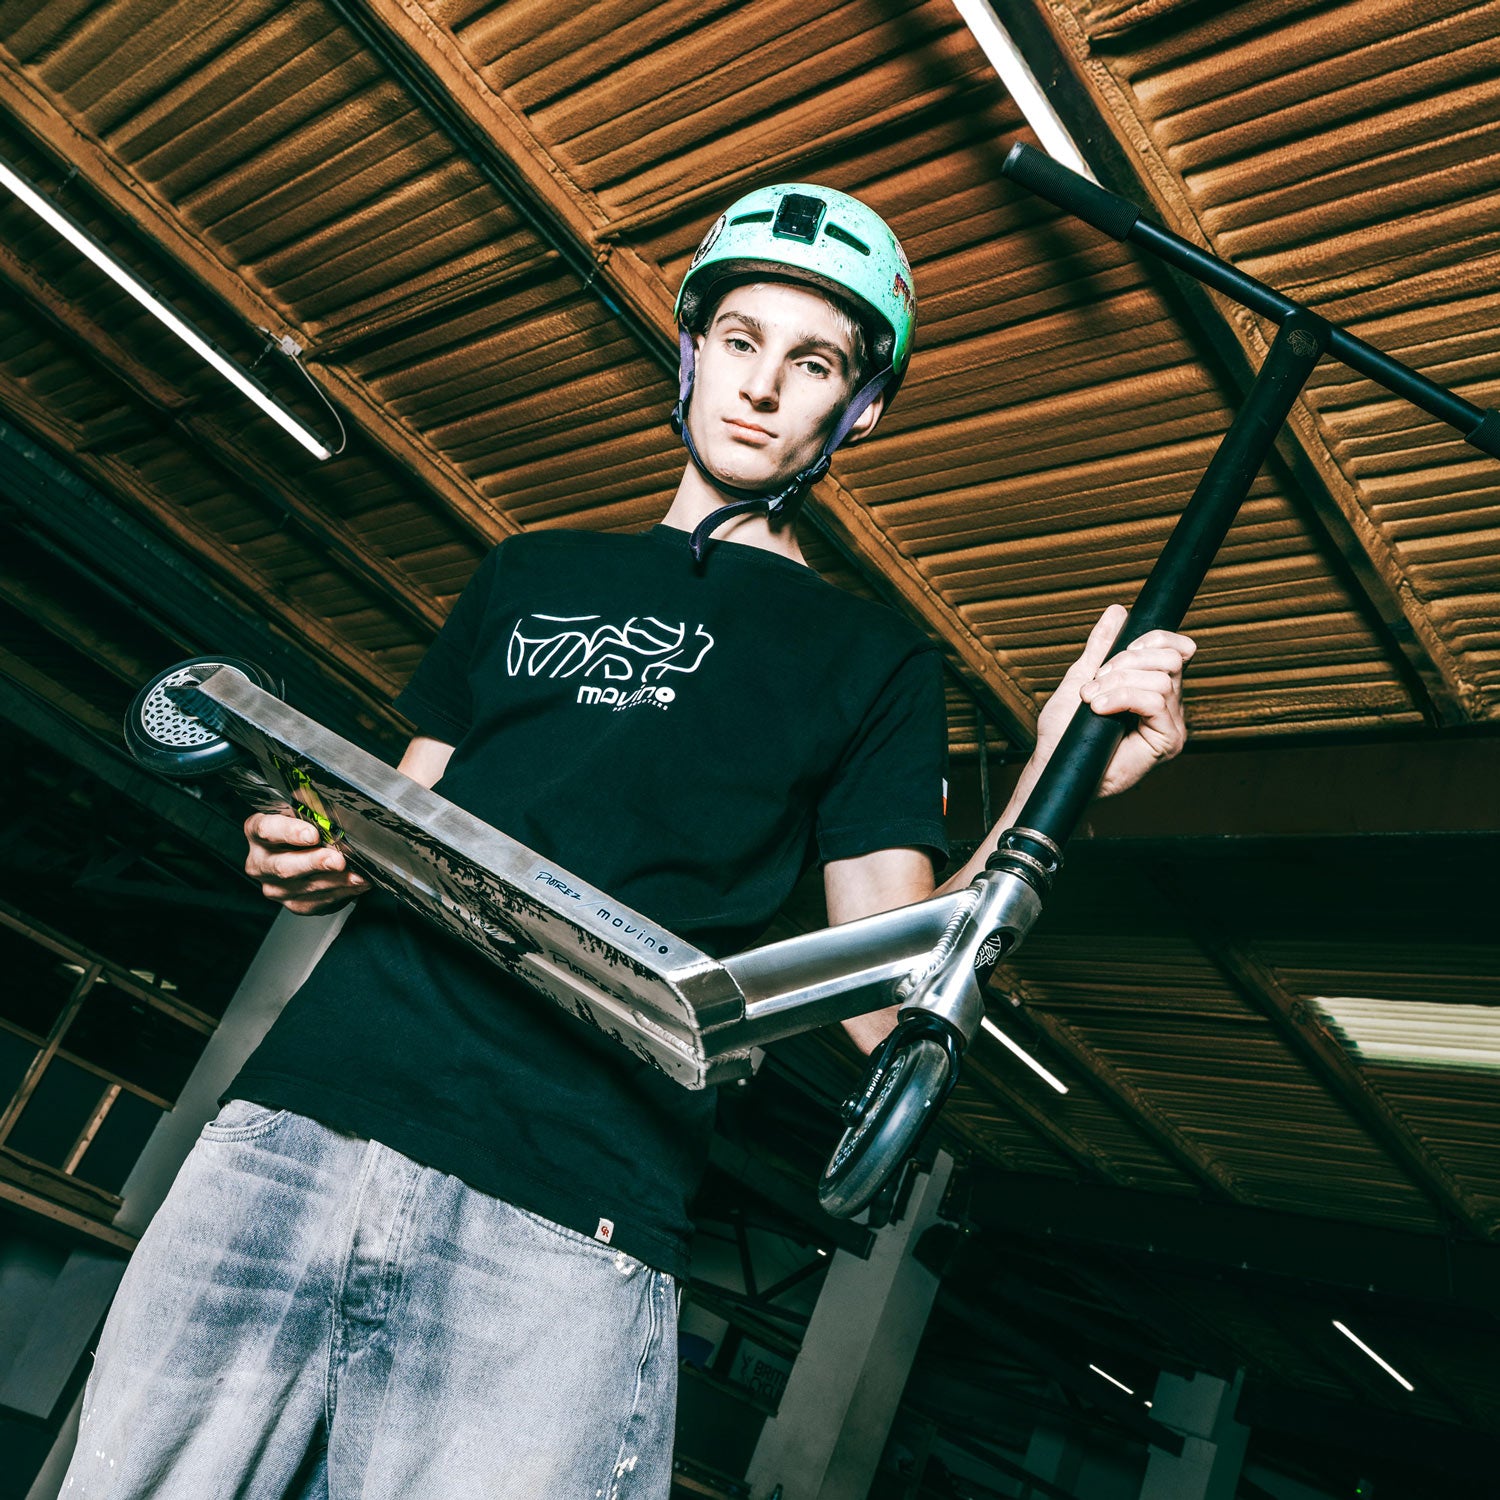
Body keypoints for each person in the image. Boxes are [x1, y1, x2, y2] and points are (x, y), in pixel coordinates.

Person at [63, 185, 1194, 1498]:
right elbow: (396, 819)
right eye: (741, 340)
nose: (762, 386)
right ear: (691, 351)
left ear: (860, 409)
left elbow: (889, 1004)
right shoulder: (527, 574)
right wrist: (314, 850)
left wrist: (1058, 782)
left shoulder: (872, 661)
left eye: (814, 363)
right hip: (302, 1128)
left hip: (564, 1203)